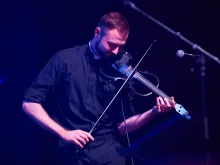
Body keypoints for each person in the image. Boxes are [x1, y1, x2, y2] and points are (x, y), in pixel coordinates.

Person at [22, 12, 175, 165]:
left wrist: (154, 111)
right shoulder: (64, 60)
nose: (116, 51)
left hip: (110, 151)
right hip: (71, 150)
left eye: (120, 46)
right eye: (111, 44)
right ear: (97, 33)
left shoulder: (122, 69)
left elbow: (123, 127)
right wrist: (63, 133)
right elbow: (29, 103)